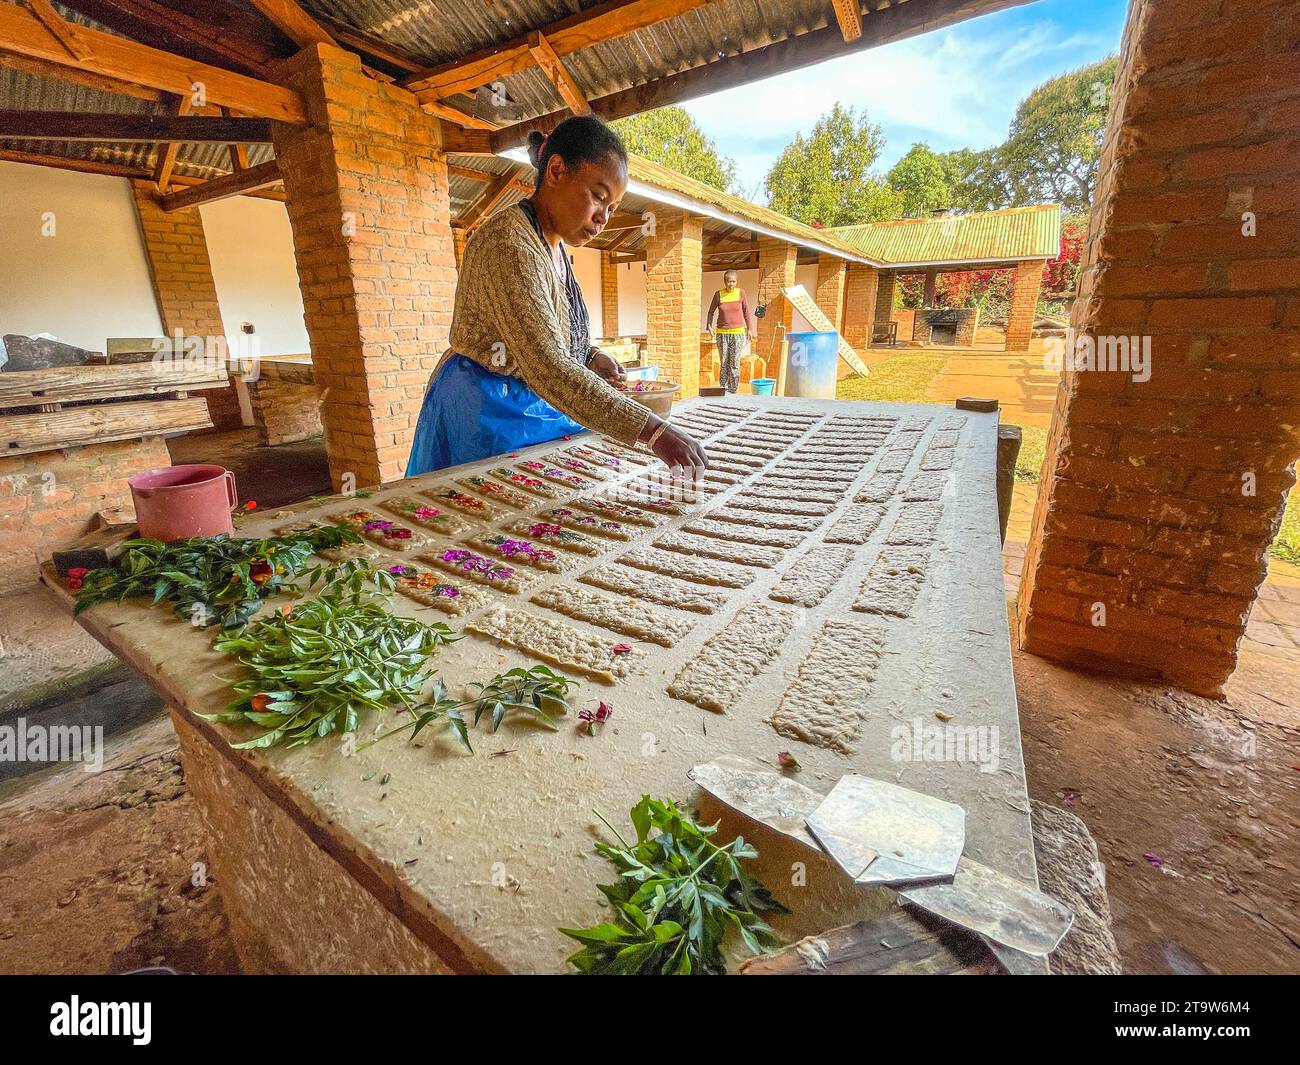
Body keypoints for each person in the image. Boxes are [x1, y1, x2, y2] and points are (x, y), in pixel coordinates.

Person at [407, 115, 708, 476]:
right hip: (486, 411)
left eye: (611, 208)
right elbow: (547, 366)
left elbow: (546, 329)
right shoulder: (510, 245)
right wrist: (654, 431)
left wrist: (590, 354)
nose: (603, 219)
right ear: (555, 171)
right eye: (598, 197)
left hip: (528, 405)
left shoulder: (554, 247)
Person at [706, 269, 755, 394]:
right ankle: (723, 388)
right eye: (729, 282)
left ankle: (733, 390)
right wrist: (709, 326)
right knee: (724, 361)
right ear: (725, 282)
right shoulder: (718, 294)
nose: (731, 284)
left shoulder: (741, 293)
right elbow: (711, 311)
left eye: (733, 282)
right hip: (722, 334)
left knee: (734, 362)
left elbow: (746, 312)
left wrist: (749, 328)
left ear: (736, 281)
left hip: (738, 334)